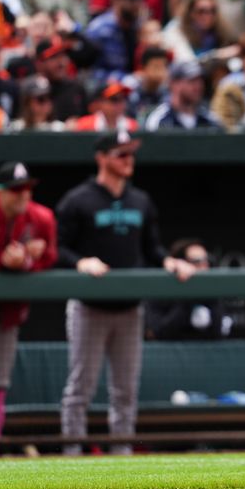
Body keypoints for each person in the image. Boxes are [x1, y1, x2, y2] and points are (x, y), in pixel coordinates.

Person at [55, 131, 197, 455]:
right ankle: (71, 455)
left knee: (125, 390)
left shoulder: (140, 200)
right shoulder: (78, 199)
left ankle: (121, 455)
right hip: (89, 306)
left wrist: (169, 261)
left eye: (131, 154)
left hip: (129, 308)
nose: (128, 160)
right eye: (121, 154)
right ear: (102, 157)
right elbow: (57, 247)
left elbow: (151, 248)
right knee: (80, 388)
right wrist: (81, 262)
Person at [0, 161, 57, 458]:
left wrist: (28, 262)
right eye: (15, 190)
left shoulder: (42, 217)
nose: (22, 196)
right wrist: (0, 260)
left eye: (26, 189)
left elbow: (50, 257)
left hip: (8, 315)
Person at [145, 239, 231, 340]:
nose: (204, 266)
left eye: (207, 260)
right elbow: (154, 333)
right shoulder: (162, 292)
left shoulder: (212, 294)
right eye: (197, 261)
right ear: (181, 263)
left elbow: (218, 335)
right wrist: (188, 299)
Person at [144, 60, 222, 131]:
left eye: (200, 81)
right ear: (173, 84)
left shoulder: (209, 120)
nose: (198, 86)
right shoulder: (160, 120)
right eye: (192, 81)